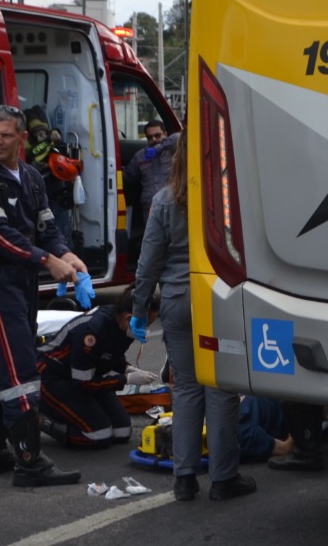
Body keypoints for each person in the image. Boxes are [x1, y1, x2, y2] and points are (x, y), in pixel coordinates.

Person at [0, 104, 86, 487]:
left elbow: (46, 225)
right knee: (20, 371)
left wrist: (65, 252)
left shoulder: (30, 176)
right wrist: (46, 259)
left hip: (22, 282)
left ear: (22, 139)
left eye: (6, 135)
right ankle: (29, 462)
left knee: (4, 365)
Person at [131, 135, 256, 502]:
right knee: (220, 387)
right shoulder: (229, 198)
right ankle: (223, 478)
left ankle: (184, 478)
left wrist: (139, 310)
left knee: (185, 387)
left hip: (176, 300)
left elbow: (148, 263)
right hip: (218, 299)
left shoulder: (165, 200)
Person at [36, 287, 160, 448]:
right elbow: (84, 383)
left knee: (122, 431)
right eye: (145, 325)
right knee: (98, 435)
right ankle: (40, 420)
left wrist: (126, 368)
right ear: (129, 317)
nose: (144, 331)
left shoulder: (123, 325)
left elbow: (110, 354)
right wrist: (125, 379)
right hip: (52, 378)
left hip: (86, 376)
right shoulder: (92, 331)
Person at [123, 121, 177, 265]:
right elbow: (128, 176)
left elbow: (181, 136)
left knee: (173, 247)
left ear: (165, 134)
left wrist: (160, 147)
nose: (153, 140)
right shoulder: (141, 156)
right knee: (153, 248)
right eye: (149, 137)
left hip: (172, 207)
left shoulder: (172, 151)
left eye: (158, 135)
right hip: (150, 209)